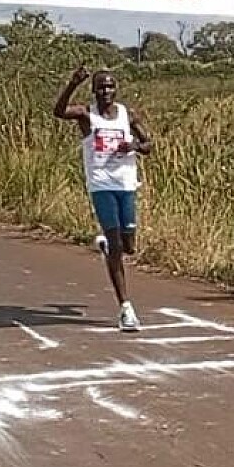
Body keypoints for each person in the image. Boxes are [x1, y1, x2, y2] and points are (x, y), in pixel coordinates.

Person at [54, 65, 151, 331]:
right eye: (101, 87)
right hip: (101, 185)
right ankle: (126, 308)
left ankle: (109, 247)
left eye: (110, 86)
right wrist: (72, 84)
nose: (106, 91)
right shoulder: (87, 115)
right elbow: (59, 112)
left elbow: (149, 145)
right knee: (117, 245)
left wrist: (134, 145)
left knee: (128, 246)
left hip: (126, 184)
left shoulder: (127, 115)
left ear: (116, 89)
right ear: (94, 90)